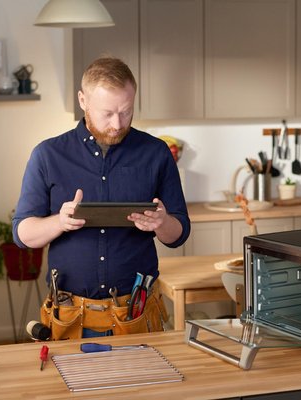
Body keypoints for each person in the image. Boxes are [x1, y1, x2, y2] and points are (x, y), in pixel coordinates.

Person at [12, 57, 190, 338]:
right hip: (70, 316)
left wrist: (162, 222)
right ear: (83, 101)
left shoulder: (156, 153)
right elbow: (22, 234)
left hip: (137, 313)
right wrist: (60, 222)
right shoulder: (47, 155)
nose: (118, 124)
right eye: (107, 113)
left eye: (126, 111)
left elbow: (178, 233)